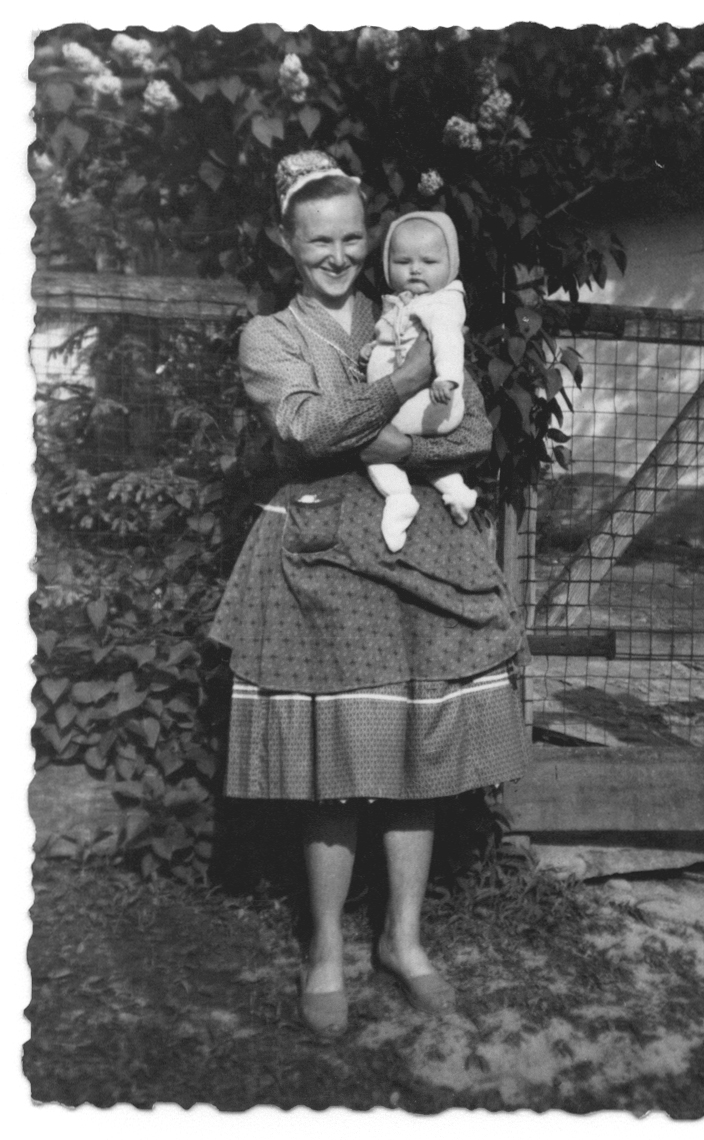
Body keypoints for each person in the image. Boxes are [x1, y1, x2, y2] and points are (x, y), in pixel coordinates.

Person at [210, 150, 530, 1038]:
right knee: (335, 770)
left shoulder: (411, 307)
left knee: (417, 750)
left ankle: (403, 940)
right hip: (321, 555)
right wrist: (403, 383)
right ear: (288, 242)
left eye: (353, 238)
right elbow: (306, 430)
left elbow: (472, 431)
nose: (339, 255)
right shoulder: (270, 337)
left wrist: (401, 439)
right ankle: (323, 949)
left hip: (418, 548)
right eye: (320, 241)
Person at [363, 211, 477, 552]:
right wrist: (371, 351)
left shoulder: (440, 304)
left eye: (429, 261)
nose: (415, 269)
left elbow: (449, 339)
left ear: (451, 265)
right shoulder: (407, 303)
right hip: (423, 407)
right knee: (416, 451)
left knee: (371, 443)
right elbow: (391, 338)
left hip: (429, 399)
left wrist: (448, 378)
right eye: (403, 261)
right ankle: (457, 491)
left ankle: (399, 497)